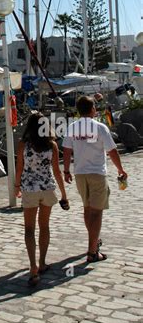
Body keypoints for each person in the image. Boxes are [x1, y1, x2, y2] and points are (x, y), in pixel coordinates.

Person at [63, 95, 128, 263]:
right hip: (97, 173)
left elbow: (67, 149)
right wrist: (120, 169)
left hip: (80, 172)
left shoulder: (72, 127)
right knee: (97, 212)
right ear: (92, 110)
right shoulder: (100, 127)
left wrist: (66, 170)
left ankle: (94, 241)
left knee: (87, 209)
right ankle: (92, 251)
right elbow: (112, 151)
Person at [15, 112, 69, 286]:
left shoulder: (23, 145)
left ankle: (33, 267)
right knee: (44, 226)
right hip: (47, 188)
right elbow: (57, 171)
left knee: (29, 229)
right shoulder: (51, 145)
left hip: (30, 189)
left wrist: (17, 187)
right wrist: (64, 194)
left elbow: (19, 169)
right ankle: (43, 262)